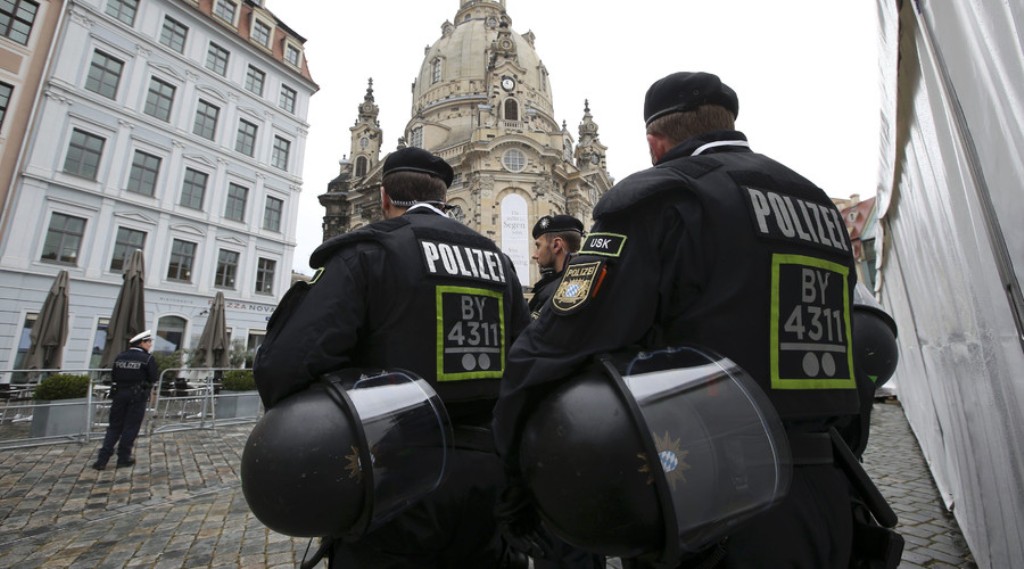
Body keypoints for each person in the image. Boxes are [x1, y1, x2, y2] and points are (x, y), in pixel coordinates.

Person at [494, 71, 865, 568]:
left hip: (710, 497)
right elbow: (849, 350)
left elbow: (556, 345)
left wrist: (516, 480)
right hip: (823, 495)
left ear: (655, 141)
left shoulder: (660, 198)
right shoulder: (819, 206)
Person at [253, 147, 531, 568]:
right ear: (444, 197)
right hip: (486, 480)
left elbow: (285, 366)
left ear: (384, 197)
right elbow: (526, 362)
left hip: (395, 475)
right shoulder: (499, 263)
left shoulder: (369, 253)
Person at [92, 329, 157, 470]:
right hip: (137, 395)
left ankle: (102, 459)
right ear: (142, 343)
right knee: (131, 427)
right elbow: (153, 377)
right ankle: (123, 458)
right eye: (149, 342)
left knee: (114, 426)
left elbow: (114, 375)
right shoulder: (147, 359)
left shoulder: (120, 356)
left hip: (119, 394)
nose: (150, 344)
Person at [529, 214, 584, 319]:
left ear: (556, 245)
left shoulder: (558, 292)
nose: (534, 255)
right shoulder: (581, 282)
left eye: (538, 246)